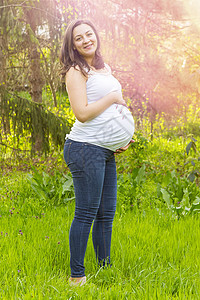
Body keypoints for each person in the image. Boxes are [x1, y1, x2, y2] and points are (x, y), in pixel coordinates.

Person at [60, 19, 135, 286]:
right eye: (78, 38)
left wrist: (122, 136)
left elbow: (112, 112)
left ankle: (105, 269)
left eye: (89, 34)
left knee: (106, 214)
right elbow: (82, 113)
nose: (85, 40)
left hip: (104, 150)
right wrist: (112, 98)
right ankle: (76, 276)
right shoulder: (75, 71)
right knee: (86, 213)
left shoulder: (104, 69)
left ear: (96, 36)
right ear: (73, 45)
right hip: (84, 149)